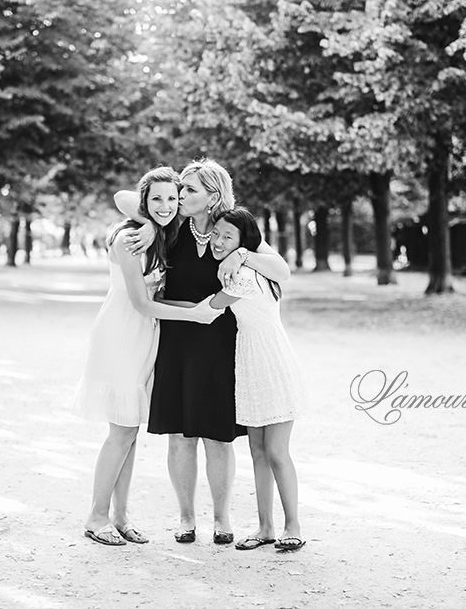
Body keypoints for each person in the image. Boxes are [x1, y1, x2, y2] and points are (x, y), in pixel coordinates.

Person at [116, 159, 290, 545]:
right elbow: (125, 197)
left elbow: (281, 270)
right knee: (179, 435)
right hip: (176, 338)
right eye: (180, 189)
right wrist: (146, 222)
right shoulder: (171, 223)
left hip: (219, 341)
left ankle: (222, 519)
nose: (179, 196)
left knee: (217, 436)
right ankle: (185, 519)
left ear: (213, 195)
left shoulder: (232, 228)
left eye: (189, 189)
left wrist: (242, 255)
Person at [73, 166, 221, 547]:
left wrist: (155, 226)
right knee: (120, 432)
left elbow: (157, 299)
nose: (166, 205)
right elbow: (141, 303)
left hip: (146, 338)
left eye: (173, 198)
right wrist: (193, 313)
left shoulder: (162, 234)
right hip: (122, 335)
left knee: (131, 432)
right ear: (144, 202)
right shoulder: (127, 238)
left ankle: (120, 516)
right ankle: (96, 516)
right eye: (156, 199)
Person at [207, 207, 306, 552]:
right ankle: (265, 528)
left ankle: (292, 525)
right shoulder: (249, 265)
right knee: (257, 452)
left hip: (271, 364)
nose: (218, 241)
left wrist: (154, 300)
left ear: (244, 242)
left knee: (277, 451)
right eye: (216, 233)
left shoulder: (244, 277)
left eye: (227, 237)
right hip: (250, 365)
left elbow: (210, 308)